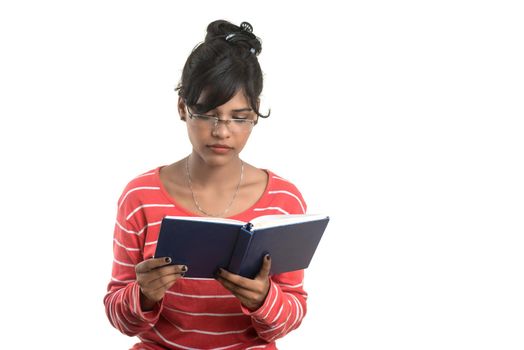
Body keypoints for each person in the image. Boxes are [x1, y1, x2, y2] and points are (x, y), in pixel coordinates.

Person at [104, 20, 309, 350]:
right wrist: (142, 295)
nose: (222, 131)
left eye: (239, 117)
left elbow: (291, 316)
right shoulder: (140, 196)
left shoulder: (284, 200)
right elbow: (118, 314)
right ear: (183, 108)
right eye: (208, 114)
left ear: (256, 114)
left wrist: (264, 300)